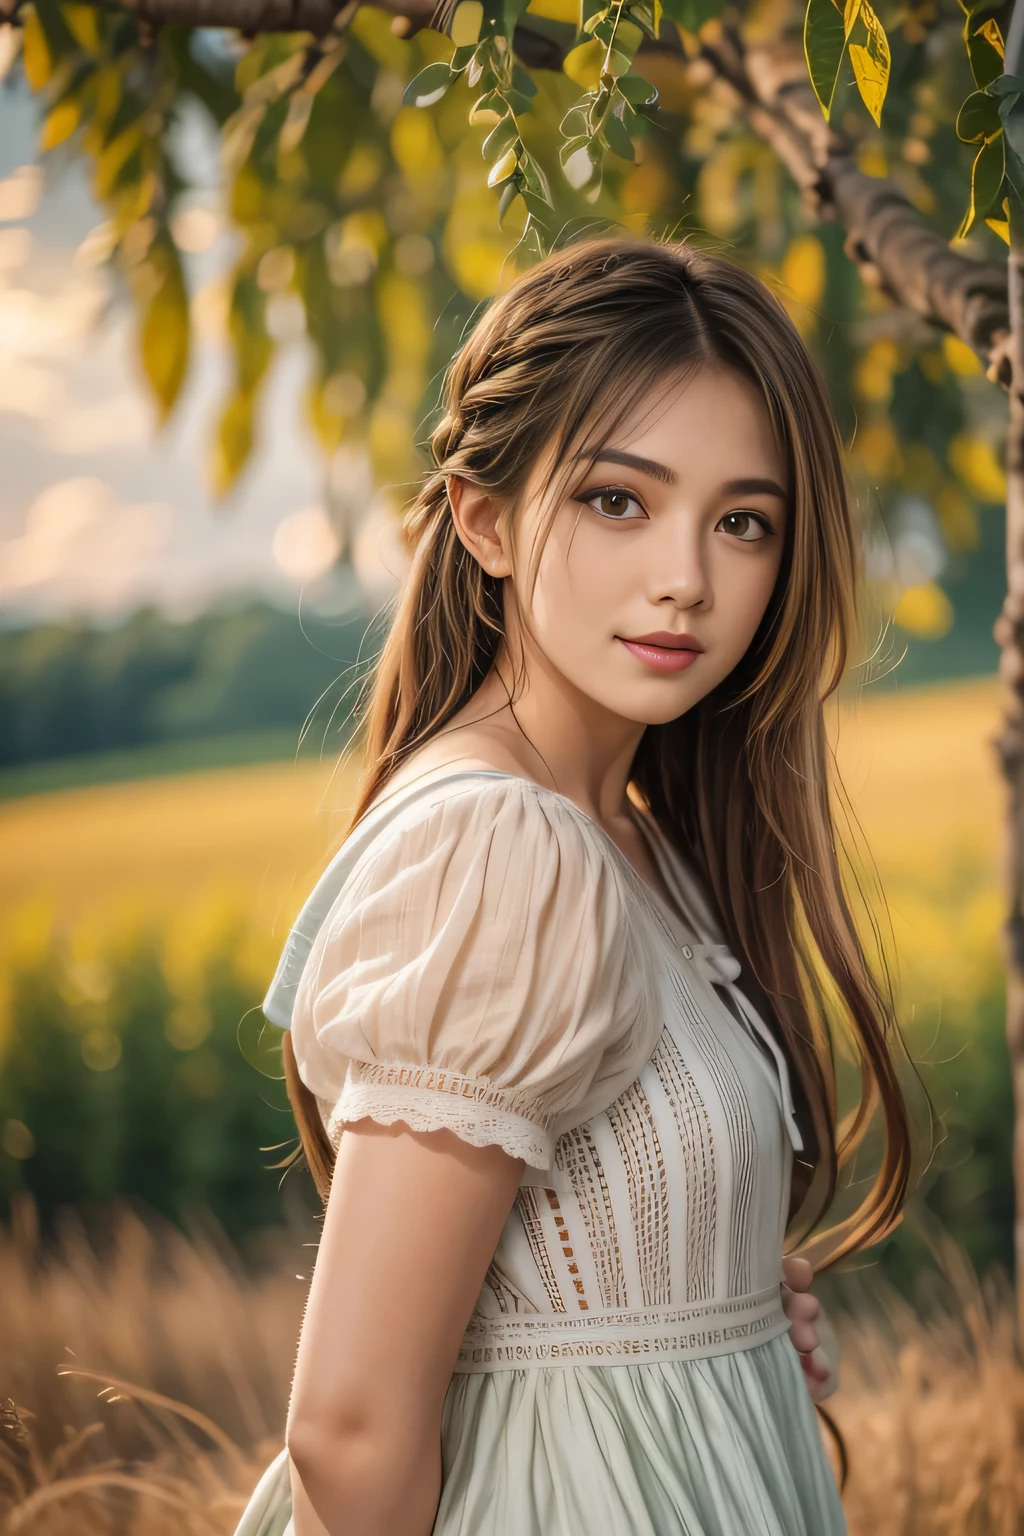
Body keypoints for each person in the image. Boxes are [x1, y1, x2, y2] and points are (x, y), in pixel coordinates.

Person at [234, 233, 925, 1536]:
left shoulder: (630, 837)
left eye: (743, 522)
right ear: (485, 520)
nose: (688, 579)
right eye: (620, 500)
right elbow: (348, 1427)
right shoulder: (510, 850)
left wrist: (714, 1296)